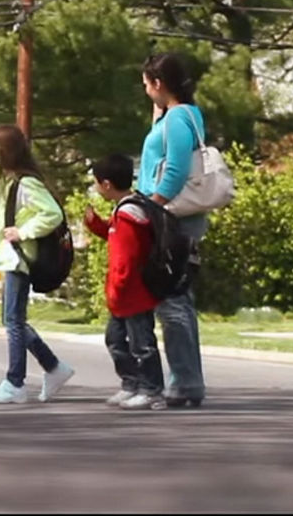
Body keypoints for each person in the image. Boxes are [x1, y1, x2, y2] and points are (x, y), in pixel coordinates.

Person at [0, 124, 75, 405]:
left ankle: (15, 382)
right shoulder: (13, 182)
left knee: (13, 322)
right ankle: (54, 367)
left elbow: (53, 214)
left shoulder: (26, 183)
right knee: (13, 321)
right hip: (13, 259)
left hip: (20, 258)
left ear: (0, 154)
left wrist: (22, 233)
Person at [137, 52, 208, 408]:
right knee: (179, 299)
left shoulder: (179, 118)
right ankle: (187, 382)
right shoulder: (178, 115)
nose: (145, 90)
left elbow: (176, 169)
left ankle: (184, 384)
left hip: (173, 218)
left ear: (158, 83)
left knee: (172, 302)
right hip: (175, 216)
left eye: (147, 84)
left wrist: (152, 204)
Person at [85, 154, 167, 411]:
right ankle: (131, 383)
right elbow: (113, 234)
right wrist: (96, 225)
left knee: (141, 343)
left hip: (132, 293)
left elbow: (126, 257)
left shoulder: (130, 214)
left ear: (106, 184)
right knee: (116, 340)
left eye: (97, 183)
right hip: (126, 293)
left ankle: (152, 390)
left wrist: (117, 288)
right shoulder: (126, 209)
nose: (96, 188)